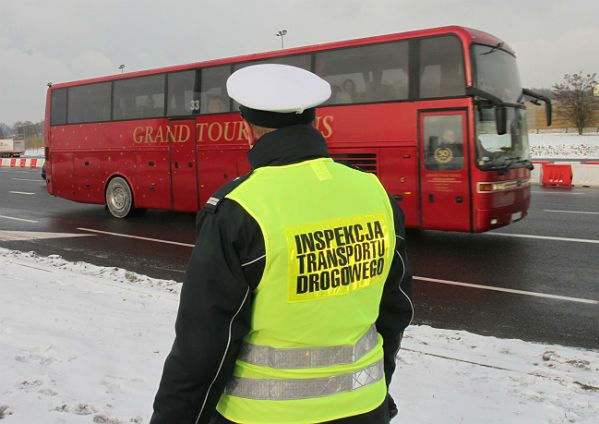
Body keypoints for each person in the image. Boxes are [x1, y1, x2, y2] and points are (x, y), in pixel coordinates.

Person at [150, 64, 413, 424]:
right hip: (365, 409)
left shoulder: (238, 208)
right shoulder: (373, 192)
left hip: (261, 415)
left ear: (247, 129)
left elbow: (204, 346)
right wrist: (378, 391)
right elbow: (395, 309)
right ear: (314, 122)